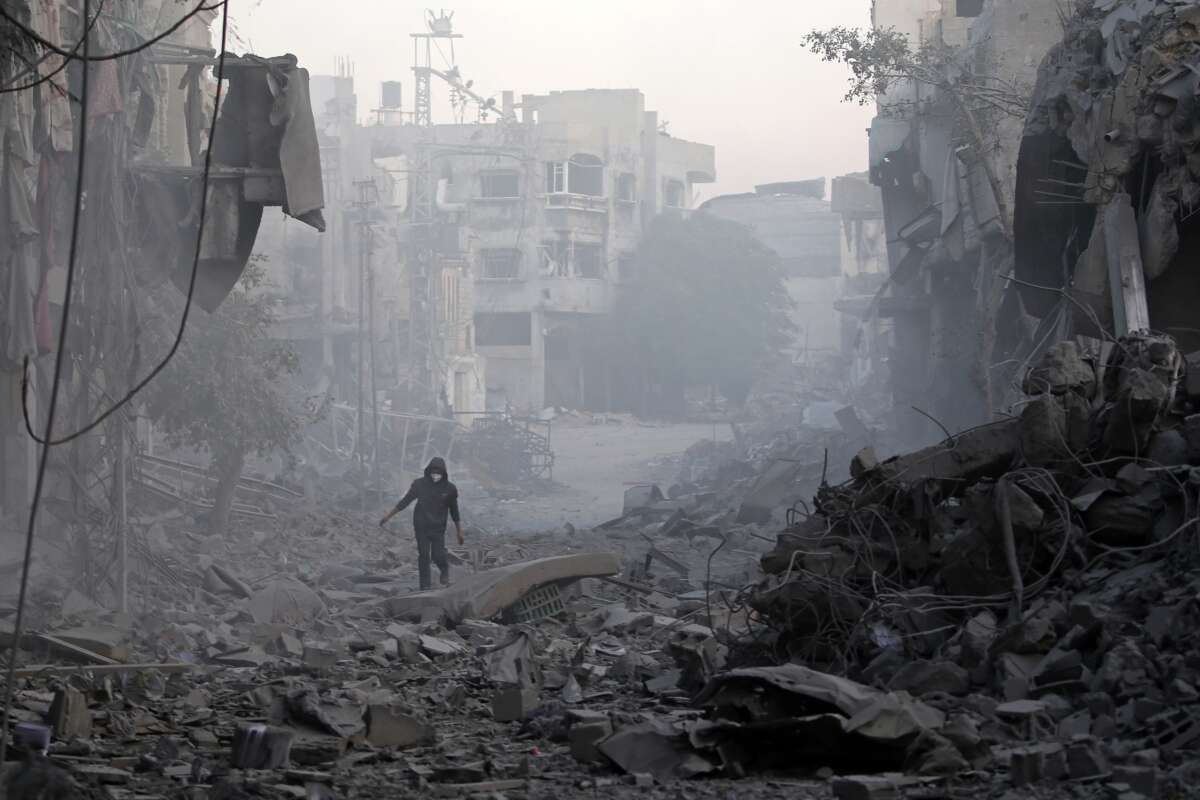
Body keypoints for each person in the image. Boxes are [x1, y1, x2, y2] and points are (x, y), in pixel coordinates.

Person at [379, 457, 464, 590]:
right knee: (424, 555)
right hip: (421, 526)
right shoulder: (419, 485)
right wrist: (388, 516)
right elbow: (405, 501)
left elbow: (454, 511)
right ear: (429, 470)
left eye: (439, 472)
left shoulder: (450, 489)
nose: (435, 474)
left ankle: (444, 570)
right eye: (433, 471)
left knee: (438, 555)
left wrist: (459, 531)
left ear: (444, 472)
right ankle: (424, 586)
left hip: (438, 528)